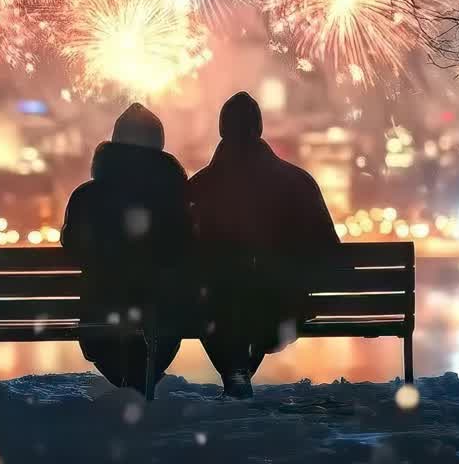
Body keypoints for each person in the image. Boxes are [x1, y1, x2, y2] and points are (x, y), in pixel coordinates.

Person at [189, 92, 338, 397]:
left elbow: (179, 253)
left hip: (217, 308)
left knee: (210, 302)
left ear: (222, 130)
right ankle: (239, 372)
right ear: (258, 129)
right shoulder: (297, 181)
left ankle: (236, 372)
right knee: (254, 304)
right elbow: (329, 250)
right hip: (282, 307)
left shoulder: (200, 186)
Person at [60, 103, 193, 397]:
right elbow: (187, 249)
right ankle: (138, 389)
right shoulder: (176, 198)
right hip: (160, 321)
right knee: (157, 333)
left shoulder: (86, 196)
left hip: (100, 320)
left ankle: (129, 392)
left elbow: (71, 249)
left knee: (122, 357)